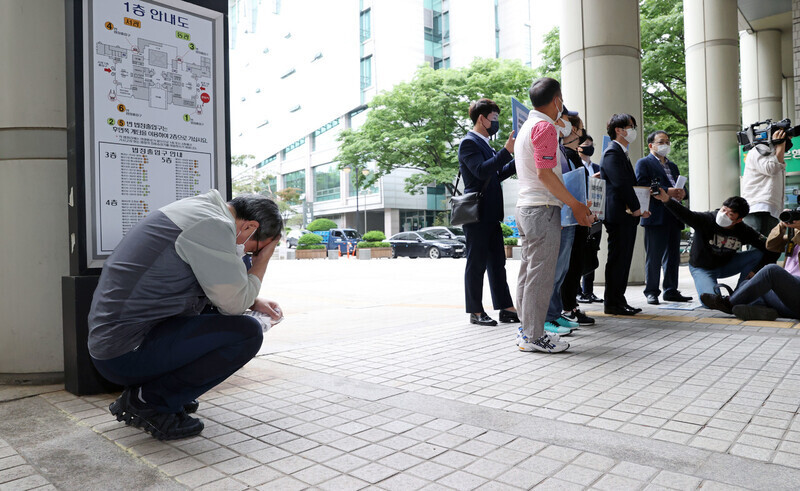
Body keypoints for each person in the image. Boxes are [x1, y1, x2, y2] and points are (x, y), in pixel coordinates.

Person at [88, 190, 284, 440]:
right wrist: (262, 261)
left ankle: (157, 390)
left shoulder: (201, 212)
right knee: (247, 332)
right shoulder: (213, 226)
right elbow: (234, 305)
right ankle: (149, 401)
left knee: (219, 312)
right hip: (125, 351)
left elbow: (216, 287)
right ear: (250, 226)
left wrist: (254, 299)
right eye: (255, 249)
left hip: (121, 340)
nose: (251, 255)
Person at [514, 77, 594, 353]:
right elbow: (545, 173)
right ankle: (535, 336)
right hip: (542, 209)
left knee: (528, 273)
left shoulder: (528, 126)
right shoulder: (544, 128)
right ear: (557, 101)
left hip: (527, 208)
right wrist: (575, 204)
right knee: (541, 275)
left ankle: (526, 332)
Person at [651, 189, 776, 301]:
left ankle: (741, 293)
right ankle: (724, 300)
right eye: (723, 210)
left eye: (730, 214)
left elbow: (771, 248)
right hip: (702, 268)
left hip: (727, 264)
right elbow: (686, 214)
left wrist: (756, 270)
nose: (724, 214)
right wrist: (666, 199)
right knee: (711, 301)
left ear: (738, 220)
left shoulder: (743, 230)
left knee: (758, 253)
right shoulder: (707, 219)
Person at [458, 98, 519, 326]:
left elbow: (496, 173)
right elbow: (481, 171)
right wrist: (505, 152)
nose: (496, 123)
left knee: (497, 262)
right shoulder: (469, 143)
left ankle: (505, 307)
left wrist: (515, 157)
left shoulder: (484, 143)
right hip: (477, 214)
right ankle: (475, 311)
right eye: (494, 118)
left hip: (491, 213)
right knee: (476, 263)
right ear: (481, 118)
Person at [702, 217, 800, 321]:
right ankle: (762, 310)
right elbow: (770, 245)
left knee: (771, 270)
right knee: (746, 284)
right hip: (789, 301)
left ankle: (729, 302)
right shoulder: (793, 237)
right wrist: (782, 225)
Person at [600, 113, 650, 315]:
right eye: (631, 126)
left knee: (622, 260)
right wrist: (636, 207)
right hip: (619, 215)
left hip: (625, 215)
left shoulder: (620, 152)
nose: (633, 130)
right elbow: (621, 184)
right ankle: (612, 303)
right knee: (618, 260)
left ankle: (618, 300)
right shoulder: (613, 152)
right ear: (619, 130)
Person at [635, 130, 692, 305]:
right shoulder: (644, 163)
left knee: (673, 256)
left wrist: (682, 192)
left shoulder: (673, 166)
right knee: (654, 256)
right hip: (655, 215)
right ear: (651, 145)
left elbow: (681, 189)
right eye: (661, 141)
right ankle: (651, 291)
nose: (665, 145)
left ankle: (671, 290)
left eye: (667, 141)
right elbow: (642, 185)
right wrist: (668, 191)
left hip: (674, 215)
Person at [555, 115, 596, 327]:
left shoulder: (570, 155)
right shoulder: (562, 153)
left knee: (574, 264)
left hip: (577, 216)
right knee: (566, 266)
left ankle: (569, 306)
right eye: (578, 128)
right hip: (568, 217)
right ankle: (566, 308)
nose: (580, 132)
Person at [740, 128, 787, 236]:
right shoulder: (758, 150)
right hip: (758, 207)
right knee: (757, 246)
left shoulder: (773, 153)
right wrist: (780, 145)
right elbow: (772, 169)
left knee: (769, 248)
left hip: (770, 208)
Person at [576, 135, 603, 304]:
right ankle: (577, 291)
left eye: (591, 145)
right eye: (586, 145)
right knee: (580, 252)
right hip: (581, 213)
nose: (589, 148)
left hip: (597, 213)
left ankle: (589, 290)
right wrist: (591, 181)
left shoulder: (598, 167)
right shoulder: (577, 166)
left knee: (593, 249)